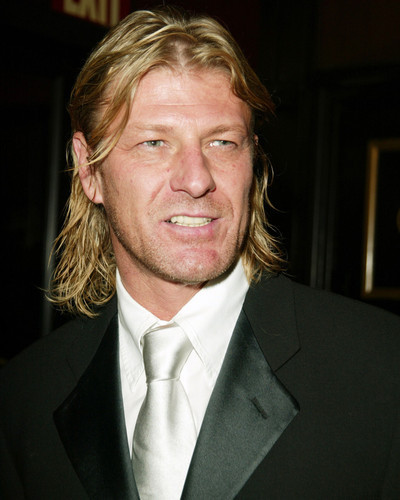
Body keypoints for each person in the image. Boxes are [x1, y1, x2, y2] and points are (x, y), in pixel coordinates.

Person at [0, 6, 399, 499]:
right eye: (154, 142)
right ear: (89, 170)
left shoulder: (382, 372)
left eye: (222, 142)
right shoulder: (23, 398)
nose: (196, 179)